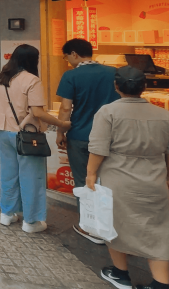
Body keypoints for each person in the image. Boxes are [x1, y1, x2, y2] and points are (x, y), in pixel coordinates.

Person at [88, 66, 169, 289]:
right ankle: (160, 284)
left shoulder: (108, 112)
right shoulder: (164, 115)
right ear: (144, 87)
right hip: (154, 179)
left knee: (115, 225)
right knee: (157, 230)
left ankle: (120, 274)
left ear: (116, 86)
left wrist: (90, 174)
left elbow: (98, 149)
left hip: (118, 179)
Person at [0, 44, 70, 233]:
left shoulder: (0, 77)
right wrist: (61, 124)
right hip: (25, 135)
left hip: (3, 131)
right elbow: (38, 112)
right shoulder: (32, 80)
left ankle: (7, 214)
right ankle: (31, 221)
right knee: (32, 177)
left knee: (8, 174)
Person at [55, 38, 120, 245]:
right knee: (108, 182)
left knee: (84, 181)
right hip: (111, 138)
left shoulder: (71, 76)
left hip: (81, 136)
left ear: (74, 54)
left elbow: (66, 108)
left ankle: (90, 226)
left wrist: (60, 132)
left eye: (67, 57)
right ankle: (111, 225)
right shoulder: (113, 73)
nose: (67, 62)